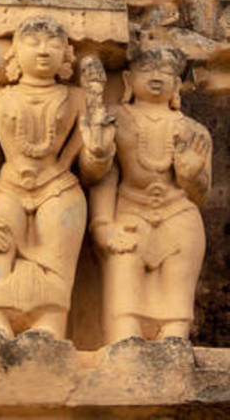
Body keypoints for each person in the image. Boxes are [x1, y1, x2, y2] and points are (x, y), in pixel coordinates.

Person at [0, 16, 114, 339]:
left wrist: (98, 153)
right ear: (13, 55)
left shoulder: (80, 101)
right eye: (33, 43)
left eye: (54, 44)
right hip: (9, 189)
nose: (44, 51)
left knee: (57, 258)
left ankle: (49, 322)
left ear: (67, 57)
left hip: (59, 188)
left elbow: (91, 173)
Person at [90, 46, 211, 342]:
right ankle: (124, 341)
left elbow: (201, 194)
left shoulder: (195, 131)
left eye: (166, 72)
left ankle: (175, 340)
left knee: (176, 294)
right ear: (129, 80)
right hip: (131, 211)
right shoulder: (115, 120)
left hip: (179, 213)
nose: (156, 77)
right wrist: (103, 224)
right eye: (147, 70)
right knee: (124, 288)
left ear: (177, 85)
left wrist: (191, 174)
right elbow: (105, 178)